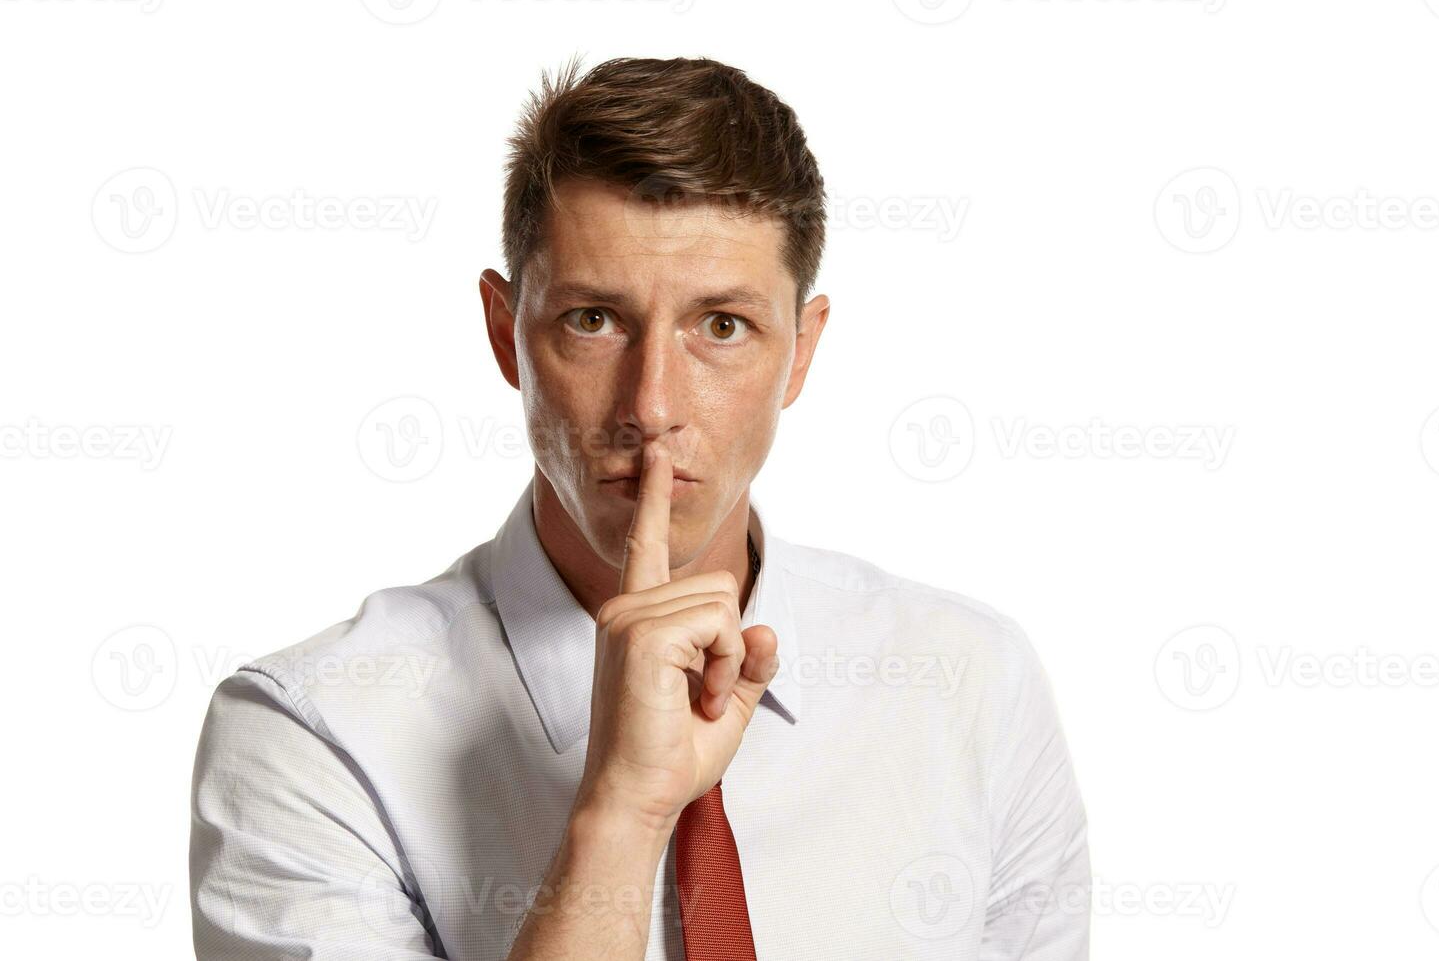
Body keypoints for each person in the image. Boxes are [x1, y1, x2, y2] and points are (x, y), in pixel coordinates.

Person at [189, 55, 1090, 960]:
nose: (652, 406)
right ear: (507, 334)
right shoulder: (313, 733)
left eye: (723, 326)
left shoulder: (971, 682)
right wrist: (621, 810)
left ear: (802, 352)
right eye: (593, 320)